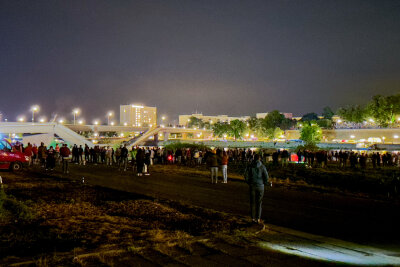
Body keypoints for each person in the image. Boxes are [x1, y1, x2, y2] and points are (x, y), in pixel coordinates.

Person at [244, 154, 270, 224]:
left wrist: (249, 182)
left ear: (253, 158)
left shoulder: (250, 166)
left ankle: (252, 218)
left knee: (252, 202)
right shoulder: (262, 167)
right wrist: (264, 182)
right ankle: (258, 218)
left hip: (252, 185)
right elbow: (266, 177)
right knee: (259, 203)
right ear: (260, 159)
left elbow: (246, 176)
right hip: (260, 186)